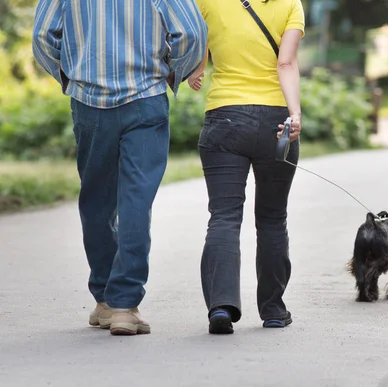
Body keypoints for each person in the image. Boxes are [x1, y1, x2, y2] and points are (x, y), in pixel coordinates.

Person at [32, 0, 208, 336]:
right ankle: (124, 304)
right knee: (136, 200)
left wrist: (69, 74)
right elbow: (191, 31)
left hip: (88, 102)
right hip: (145, 98)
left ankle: (104, 299)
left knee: (96, 200)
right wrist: (174, 69)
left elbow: (42, 35)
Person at [187, 0, 305, 334]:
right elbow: (286, 62)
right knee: (271, 218)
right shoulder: (290, 4)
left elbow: (195, 42)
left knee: (223, 216)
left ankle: (221, 307)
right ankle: (272, 310)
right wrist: (294, 115)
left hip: (224, 117)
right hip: (276, 121)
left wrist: (196, 69)